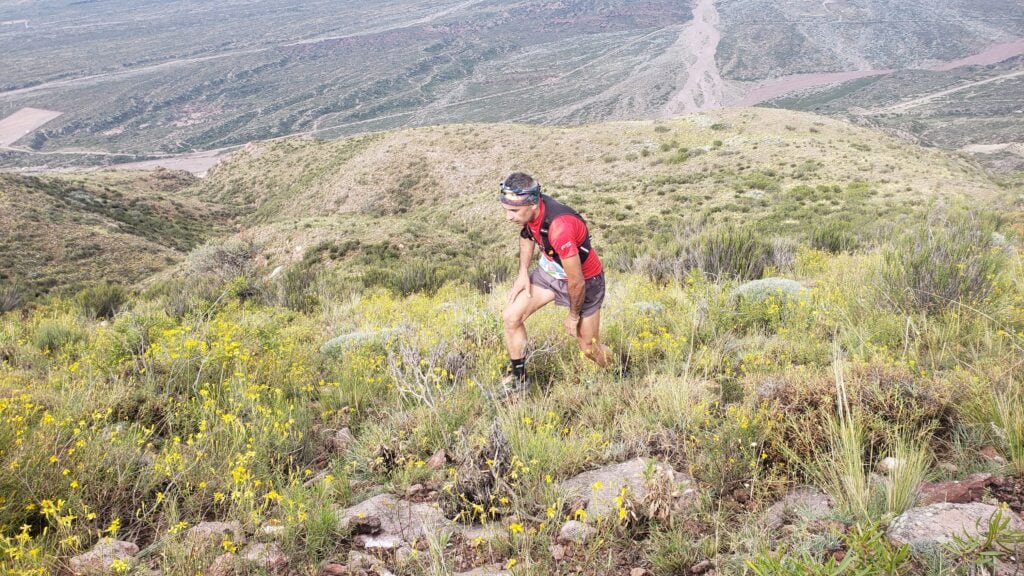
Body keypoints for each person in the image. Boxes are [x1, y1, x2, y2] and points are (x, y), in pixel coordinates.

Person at [499, 171, 611, 391]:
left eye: (513, 210)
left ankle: (619, 371)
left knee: (588, 348)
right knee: (511, 317)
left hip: (585, 281)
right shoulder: (532, 212)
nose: (508, 217)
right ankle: (519, 379)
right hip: (550, 273)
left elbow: (576, 282)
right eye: (506, 210)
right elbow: (527, 235)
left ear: (533, 204)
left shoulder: (560, 228)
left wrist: (573, 315)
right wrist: (523, 273)